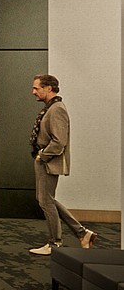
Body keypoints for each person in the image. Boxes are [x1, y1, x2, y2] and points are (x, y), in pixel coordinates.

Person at [28, 74, 97, 255]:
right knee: (46, 199)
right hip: (44, 161)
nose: (33, 92)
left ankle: (55, 243)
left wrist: (42, 156)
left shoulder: (57, 109)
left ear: (48, 88)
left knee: (45, 201)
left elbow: (59, 141)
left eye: (36, 88)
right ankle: (82, 234)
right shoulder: (51, 108)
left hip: (49, 161)